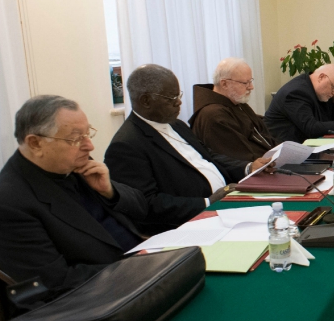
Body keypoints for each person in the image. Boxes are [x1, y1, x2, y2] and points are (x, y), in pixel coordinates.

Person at [0, 96, 146, 315]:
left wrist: (109, 191)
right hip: (100, 300)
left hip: (139, 261)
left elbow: (142, 208)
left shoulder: (73, 163)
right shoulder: (9, 204)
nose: (89, 145)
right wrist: (134, 268)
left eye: (88, 133)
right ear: (35, 143)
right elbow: (56, 283)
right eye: (75, 138)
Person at [105, 64, 272, 234]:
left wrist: (248, 167)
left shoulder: (176, 124)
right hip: (191, 223)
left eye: (178, 95)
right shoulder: (126, 145)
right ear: (146, 101)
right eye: (171, 98)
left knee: (280, 219)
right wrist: (206, 202)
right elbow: (147, 204)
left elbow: (209, 157)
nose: (179, 102)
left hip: (225, 203)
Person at [189, 58, 277, 162]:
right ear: (224, 84)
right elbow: (240, 158)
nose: (251, 87)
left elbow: (262, 134)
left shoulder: (236, 103)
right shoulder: (213, 115)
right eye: (245, 83)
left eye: (251, 81)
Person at [265, 63, 334, 143]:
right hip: (289, 153)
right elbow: (311, 128)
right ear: (321, 77)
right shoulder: (296, 92)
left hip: (311, 146)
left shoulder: (320, 91)